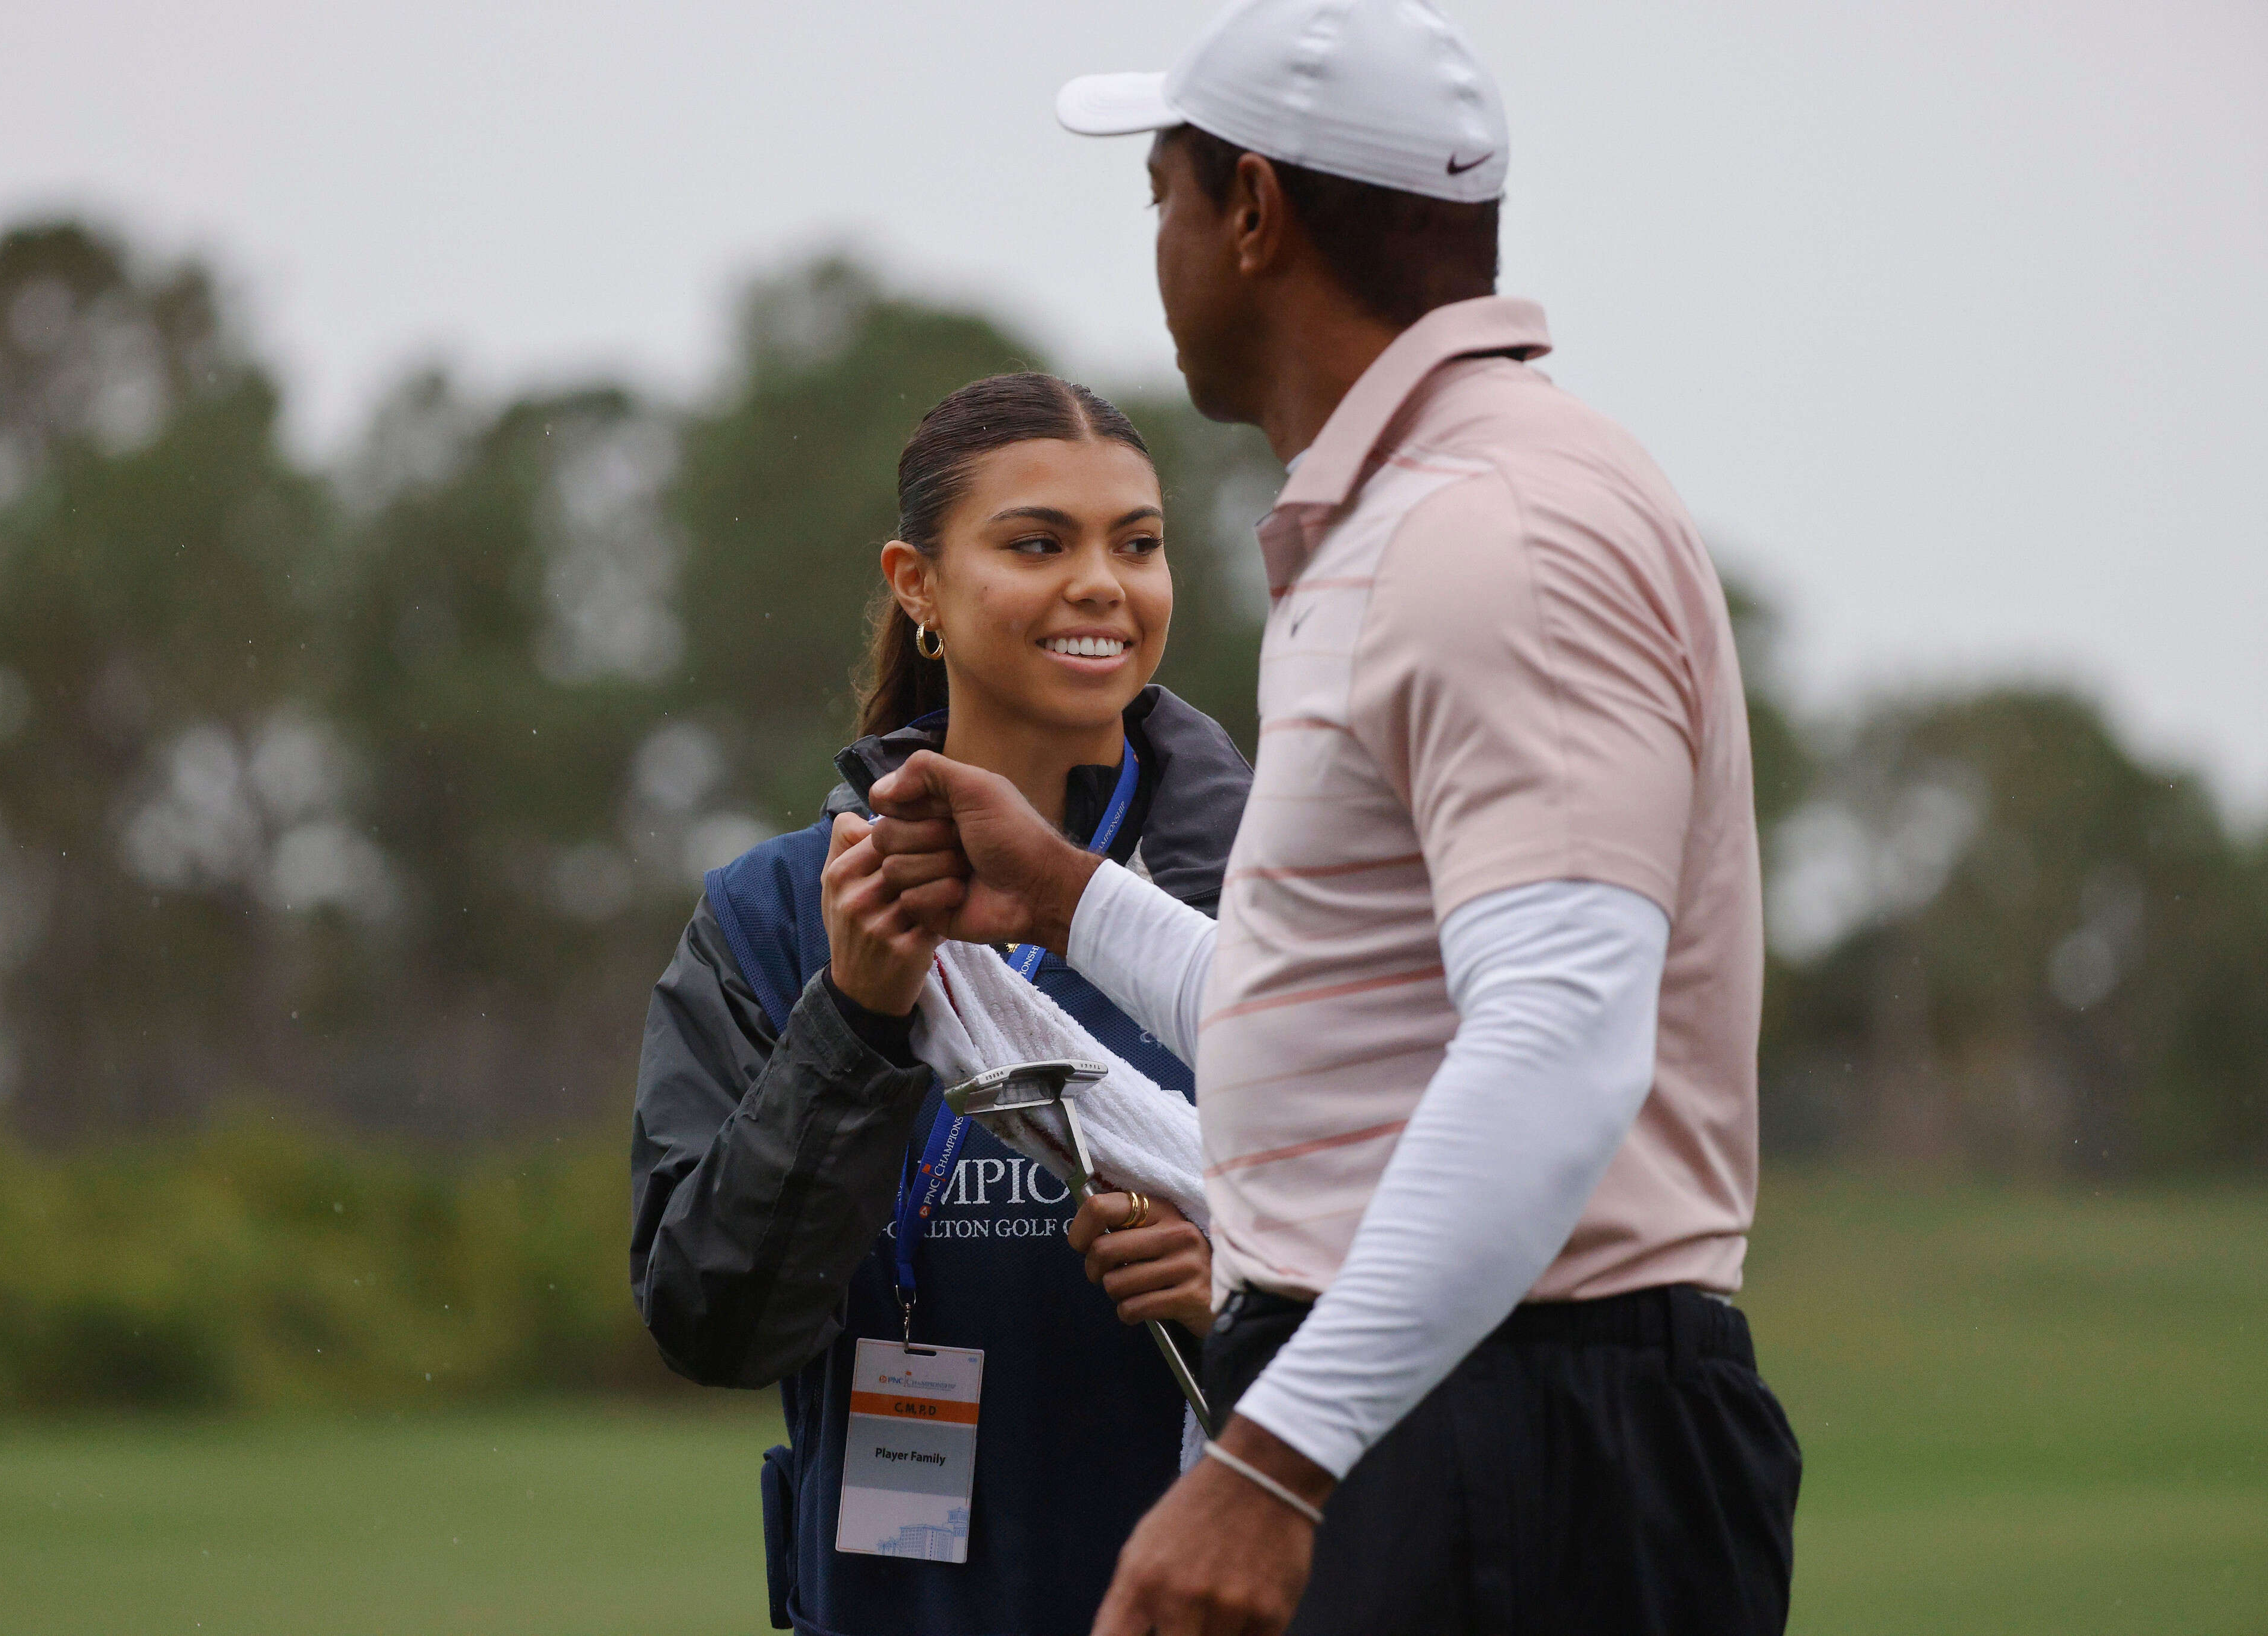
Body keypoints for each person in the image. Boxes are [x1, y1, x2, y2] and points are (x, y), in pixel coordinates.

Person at [863, 3, 1802, 1633]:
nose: (1154, 246)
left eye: (1161, 192)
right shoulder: (1418, 514)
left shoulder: (1492, 531)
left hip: (1513, 1421)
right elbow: (1362, 1030)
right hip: (1446, 1398)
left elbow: (1562, 1032)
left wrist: (1273, 1459)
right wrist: (1071, 896)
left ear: (1251, 213)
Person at [628, 371, 1254, 1635]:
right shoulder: (774, 912)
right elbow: (710, 1314)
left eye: (1136, 544)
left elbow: (1442, 1278)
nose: (1101, 584)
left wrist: (1242, 1294)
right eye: (1038, 542)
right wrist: (853, 1020)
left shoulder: (1273, 903)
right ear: (915, 584)